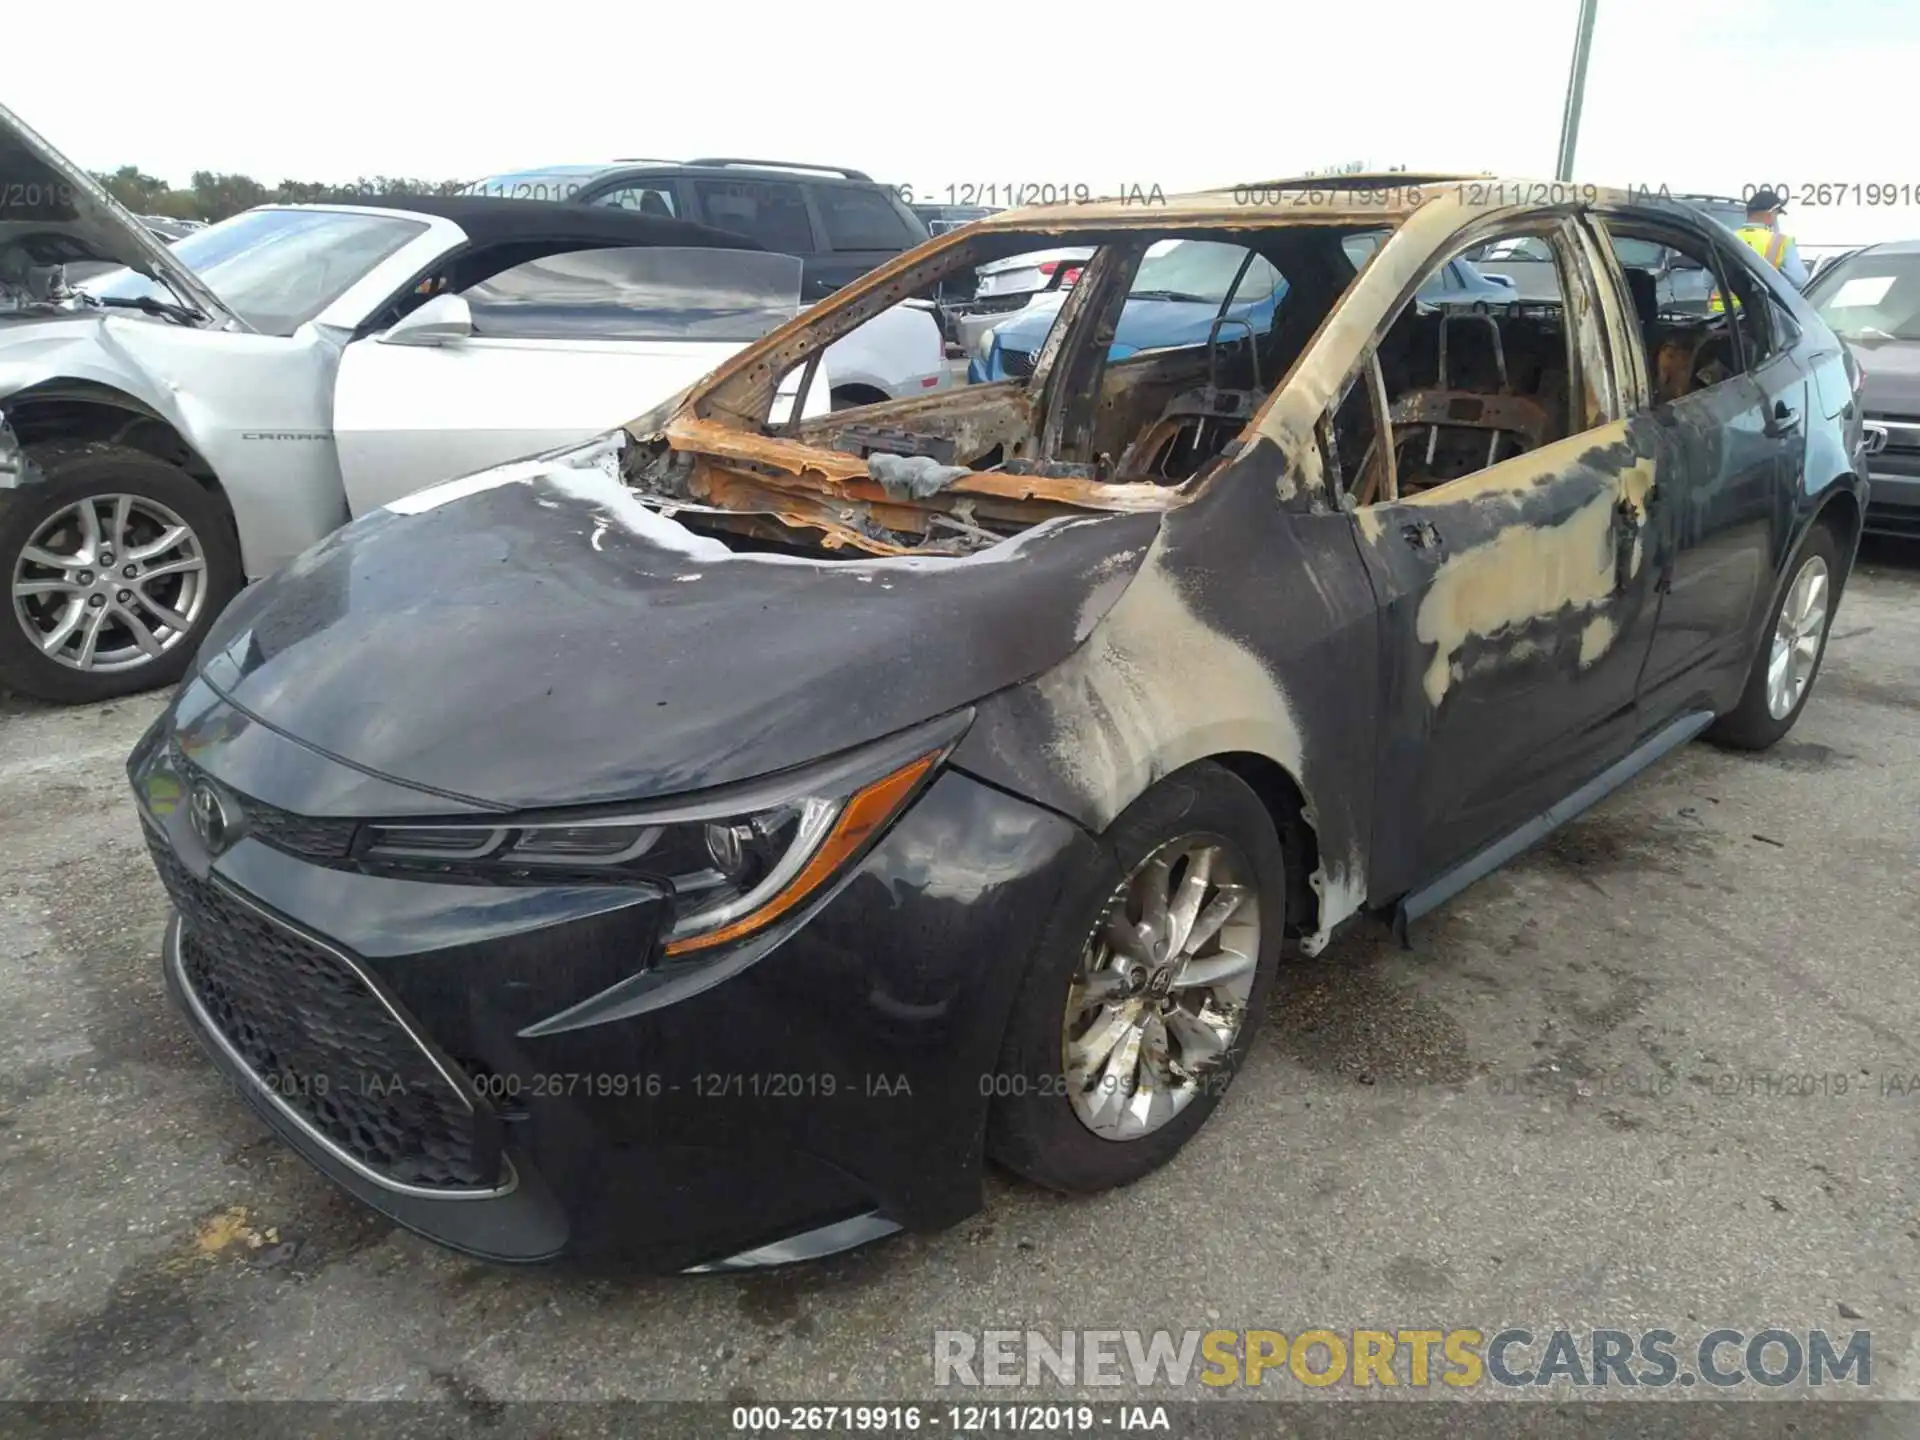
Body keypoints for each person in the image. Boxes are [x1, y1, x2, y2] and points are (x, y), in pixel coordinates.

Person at [1710, 189, 1808, 311]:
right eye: (1776, 214)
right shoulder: (1780, 242)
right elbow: (1800, 280)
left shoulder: (1722, 239)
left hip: (1722, 316)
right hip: (1759, 315)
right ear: (1770, 214)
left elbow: (1706, 282)